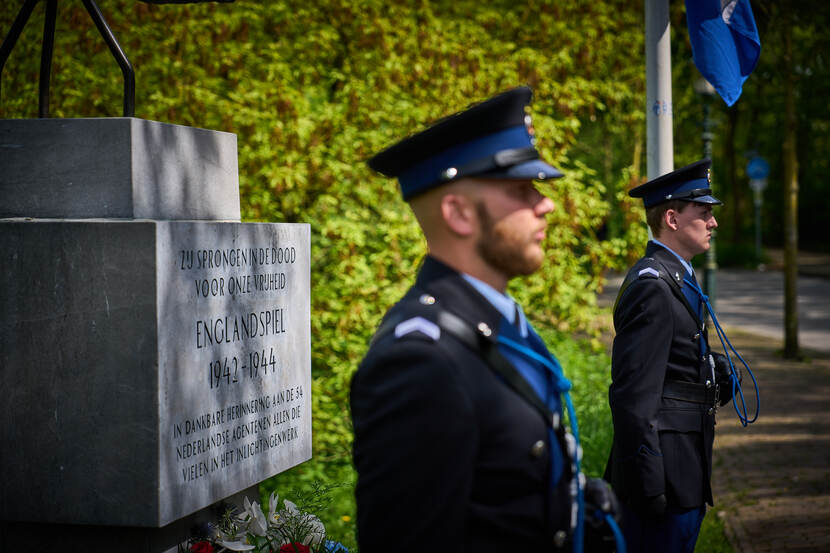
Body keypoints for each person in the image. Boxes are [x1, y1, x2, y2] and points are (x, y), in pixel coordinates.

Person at [350, 87, 619, 552]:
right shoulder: (420, 360)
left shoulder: (499, 321)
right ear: (457, 213)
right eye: (520, 189)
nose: (546, 203)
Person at [605, 160, 740, 553]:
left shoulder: (676, 277)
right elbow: (633, 398)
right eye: (705, 213)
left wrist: (715, 374)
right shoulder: (654, 286)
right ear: (672, 218)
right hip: (663, 481)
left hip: (684, 471)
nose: (713, 223)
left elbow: (672, 369)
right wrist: (648, 487)